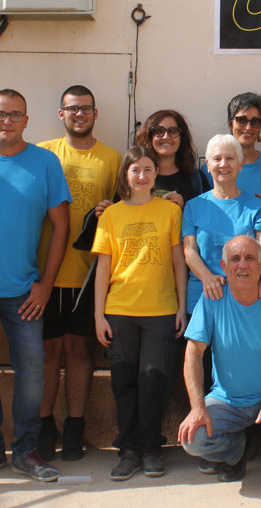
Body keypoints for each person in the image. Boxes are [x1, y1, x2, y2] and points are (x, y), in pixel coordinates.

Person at [0, 89, 71, 484]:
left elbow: (61, 227)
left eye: (16, 115)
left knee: (32, 372)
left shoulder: (45, 162)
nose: (8, 121)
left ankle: (26, 450)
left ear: (26, 120)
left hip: (25, 291)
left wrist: (45, 285)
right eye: (0, 114)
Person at [179, 236, 261, 501]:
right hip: (228, 400)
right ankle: (237, 451)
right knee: (193, 438)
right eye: (235, 259)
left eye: (250, 258)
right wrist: (197, 408)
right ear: (223, 266)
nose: (242, 265)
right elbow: (193, 354)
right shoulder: (212, 299)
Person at [36, 85, 122, 462]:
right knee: (46, 352)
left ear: (95, 113)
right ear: (61, 114)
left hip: (89, 276)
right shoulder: (43, 153)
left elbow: (127, 207)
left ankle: (75, 426)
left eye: (85, 108)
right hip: (44, 274)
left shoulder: (112, 158)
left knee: (80, 350)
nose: (79, 114)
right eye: (72, 109)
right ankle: (43, 425)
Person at [92, 146, 187, 480]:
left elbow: (179, 262)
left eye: (148, 169)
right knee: (123, 381)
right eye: (136, 170)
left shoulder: (170, 212)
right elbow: (103, 269)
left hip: (161, 310)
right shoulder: (111, 215)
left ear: (156, 174)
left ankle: (151, 448)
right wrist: (98, 315)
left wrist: (182, 307)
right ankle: (128, 450)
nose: (142, 176)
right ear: (126, 175)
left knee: (153, 380)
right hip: (119, 311)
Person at [183, 133, 261, 315]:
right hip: (202, 297)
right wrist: (207, 278)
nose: (223, 164)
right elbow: (189, 250)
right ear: (208, 165)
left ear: (240, 165)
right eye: (217, 159)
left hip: (245, 298)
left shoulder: (257, 207)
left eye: (230, 158)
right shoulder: (193, 206)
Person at [202, 92, 261, 204]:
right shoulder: (211, 168)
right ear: (230, 124)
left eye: (255, 122)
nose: (248, 127)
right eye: (241, 120)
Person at [135, 109, 208, 207]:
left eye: (173, 131)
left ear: (181, 138)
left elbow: (206, 214)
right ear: (149, 136)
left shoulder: (196, 180)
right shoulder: (135, 177)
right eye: (159, 131)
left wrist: (183, 210)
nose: (166, 136)